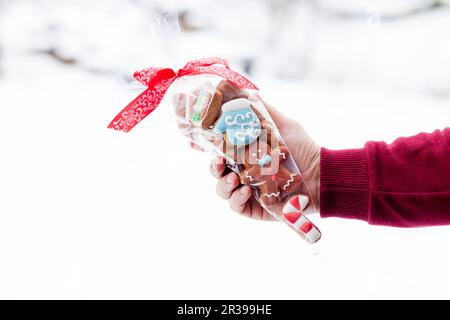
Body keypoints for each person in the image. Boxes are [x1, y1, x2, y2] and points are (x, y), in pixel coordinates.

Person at [203, 100, 450, 227]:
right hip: (276, 170)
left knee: (273, 173)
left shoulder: (247, 128)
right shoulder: (237, 129)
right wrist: (321, 176)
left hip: (273, 164)